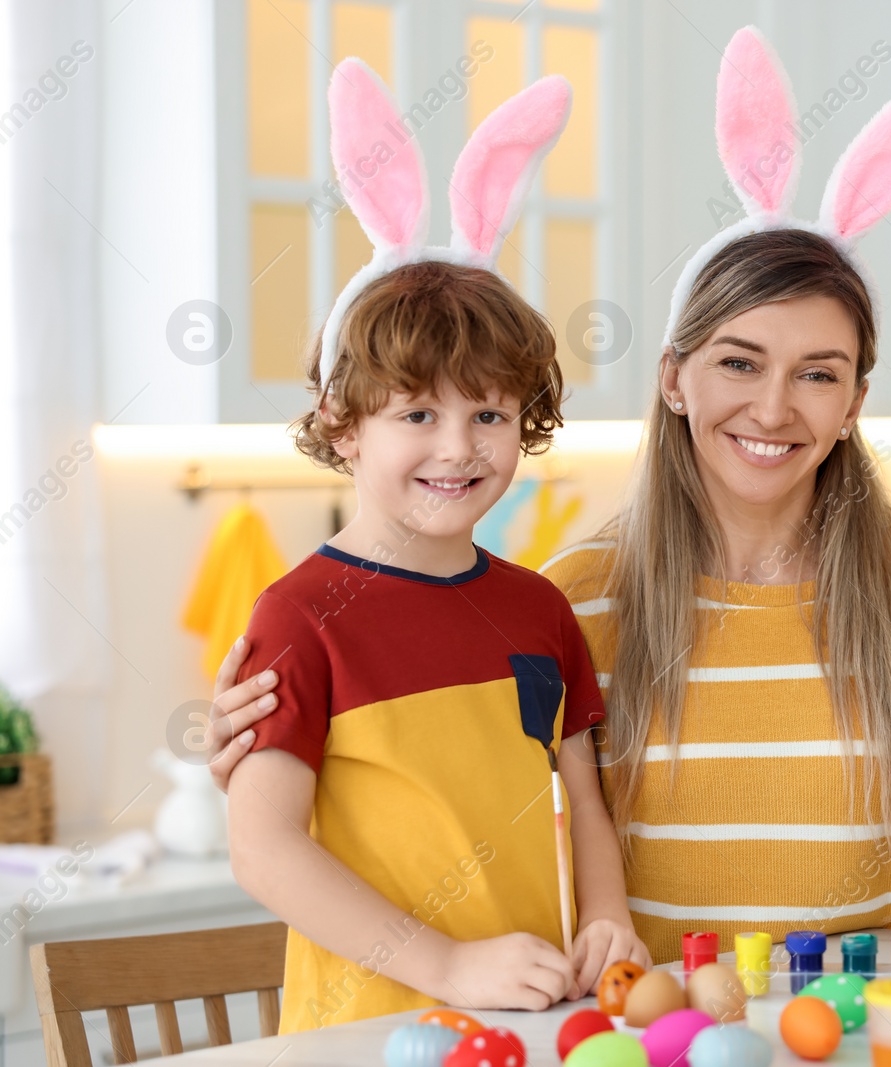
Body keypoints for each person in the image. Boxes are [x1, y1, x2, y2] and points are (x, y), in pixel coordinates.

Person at [206, 37, 891, 994]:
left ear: (856, 398)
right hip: (664, 1027)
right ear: (675, 377)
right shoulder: (574, 598)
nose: (773, 408)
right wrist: (275, 725)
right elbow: (453, 796)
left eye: (818, 374)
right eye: (738, 363)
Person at [224, 61, 647, 1033]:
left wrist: (609, 916)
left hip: (533, 1015)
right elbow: (265, 849)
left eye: (490, 412)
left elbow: (582, 794)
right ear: (341, 425)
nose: (458, 447)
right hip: (366, 1030)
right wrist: (445, 963)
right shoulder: (297, 617)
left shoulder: (538, 608)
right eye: (417, 410)